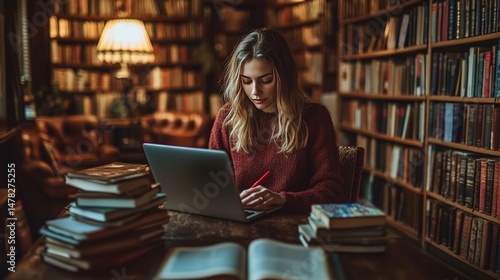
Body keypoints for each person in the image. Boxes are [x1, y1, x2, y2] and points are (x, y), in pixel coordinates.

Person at [209, 28, 346, 213]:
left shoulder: (314, 117)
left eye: (265, 80)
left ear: (285, 77)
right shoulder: (228, 118)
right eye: (246, 81)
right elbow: (211, 184)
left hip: (293, 225)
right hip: (240, 222)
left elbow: (332, 193)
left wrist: (283, 200)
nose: (255, 91)